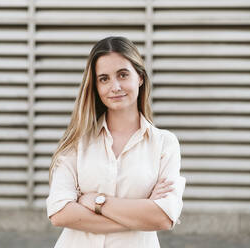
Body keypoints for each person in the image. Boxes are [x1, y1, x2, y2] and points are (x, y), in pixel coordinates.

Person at [46, 36, 186, 248]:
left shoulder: (165, 144)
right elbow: (59, 213)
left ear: (139, 77)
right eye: (104, 79)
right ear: (95, 86)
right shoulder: (77, 141)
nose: (115, 86)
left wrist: (94, 201)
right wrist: (141, 213)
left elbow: (163, 218)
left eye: (122, 74)